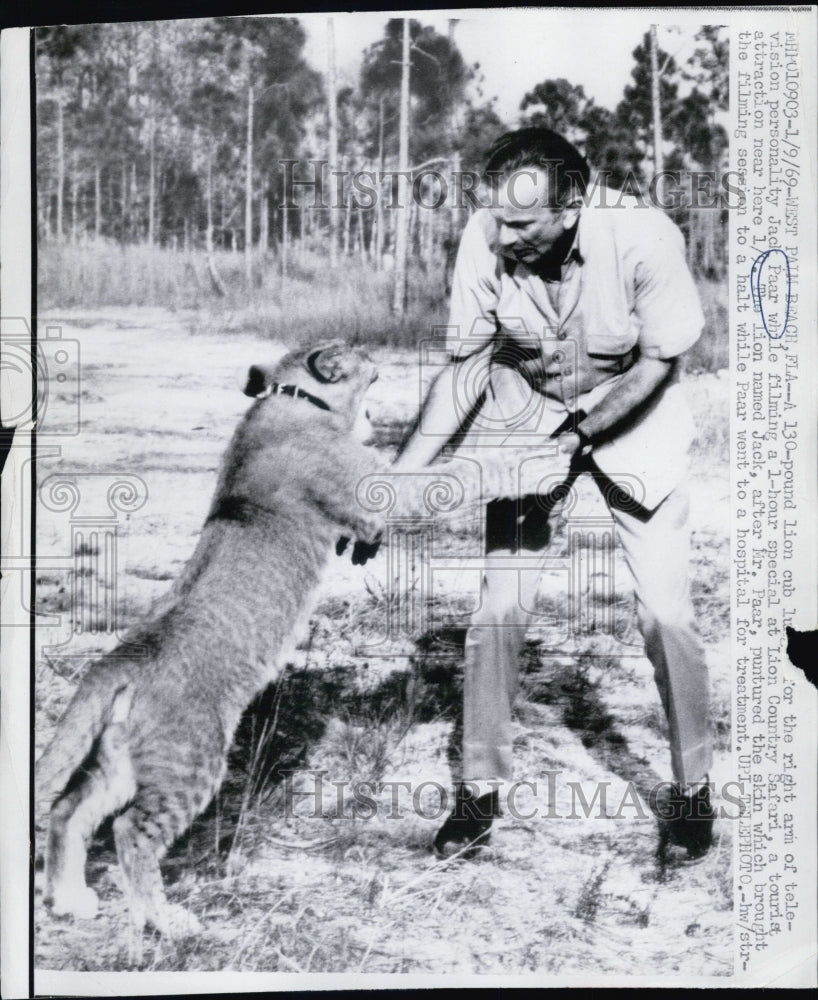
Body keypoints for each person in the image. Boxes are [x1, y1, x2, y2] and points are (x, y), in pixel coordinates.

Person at [393, 127, 714, 861]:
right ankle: (477, 794)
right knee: (498, 610)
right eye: (496, 219)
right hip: (527, 402)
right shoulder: (488, 234)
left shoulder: (643, 238)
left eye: (522, 225)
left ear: (570, 208)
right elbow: (465, 370)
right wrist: (396, 482)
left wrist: (573, 439)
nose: (501, 237)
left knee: (666, 614)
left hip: (633, 407)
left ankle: (693, 789)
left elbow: (658, 364)